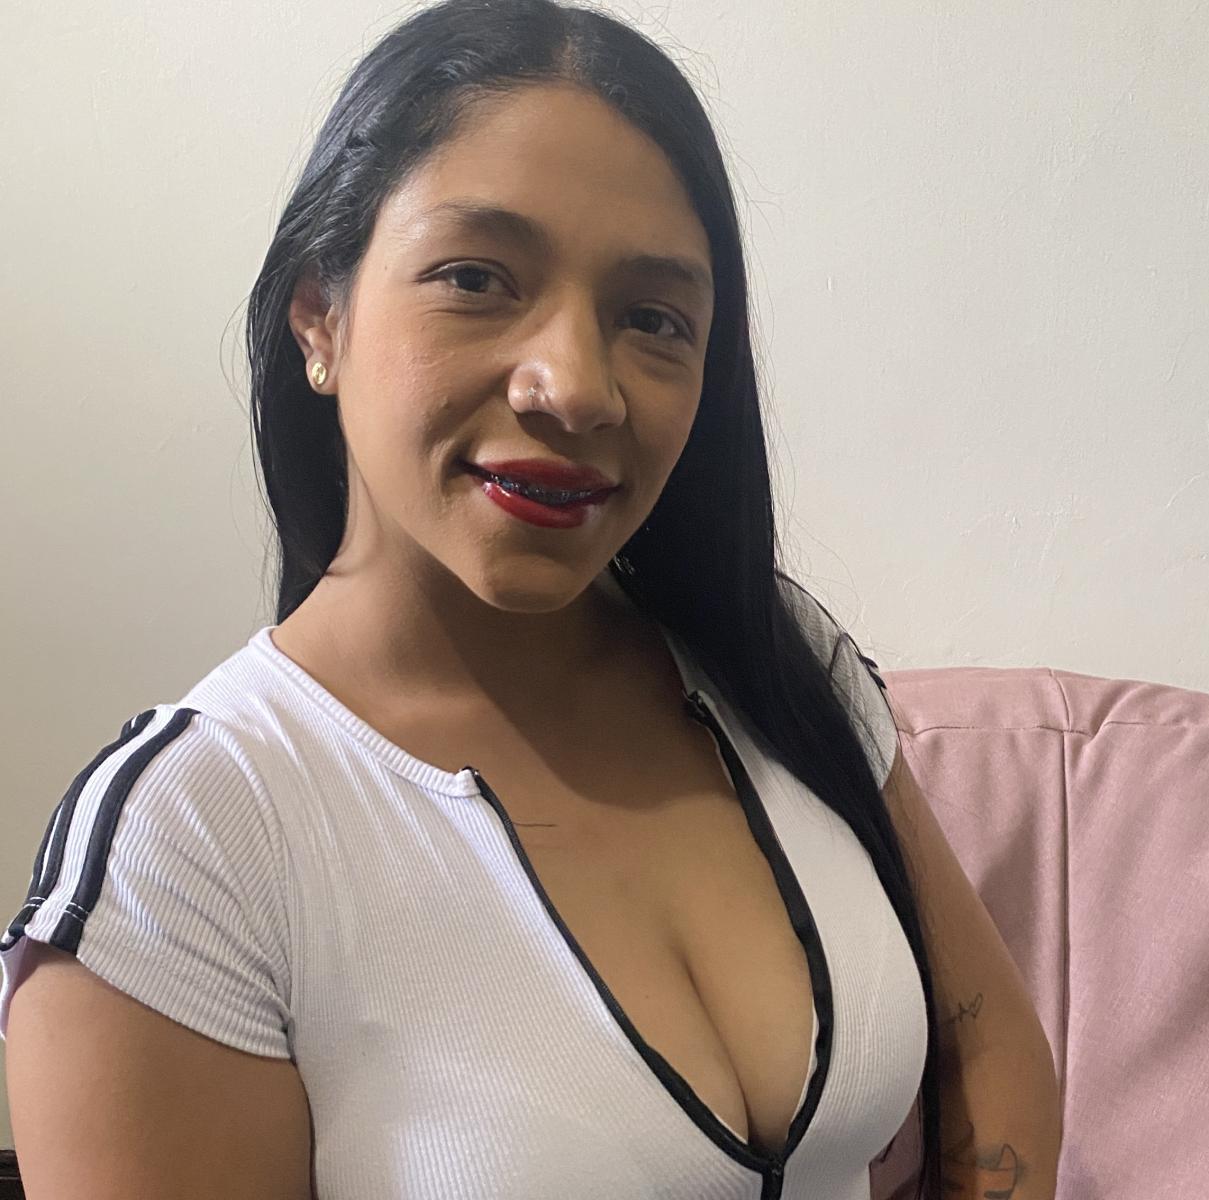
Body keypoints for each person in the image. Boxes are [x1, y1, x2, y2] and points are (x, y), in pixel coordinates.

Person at [0, 2, 953, 1197]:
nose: (576, 387)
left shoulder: (777, 656)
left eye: (654, 318)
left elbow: (994, 1062)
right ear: (319, 318)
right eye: (477, 278)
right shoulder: (186, 849)